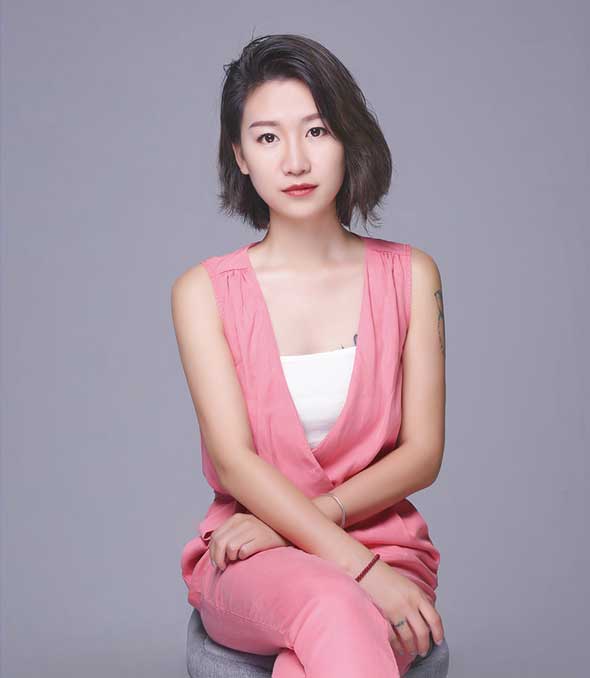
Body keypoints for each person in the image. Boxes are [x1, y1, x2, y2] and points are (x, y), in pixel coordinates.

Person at [172, 33, 446, 678]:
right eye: (267, 137)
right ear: (240, 156)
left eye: (316, 131)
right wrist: (357, 571)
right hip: (250, 558)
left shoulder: (411, 276)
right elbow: (235, 462)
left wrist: (304, 529)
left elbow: (423, 453)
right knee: (335, 601)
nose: (295, 160)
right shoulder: (203, 293)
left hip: (385, 546)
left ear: (348, 138)